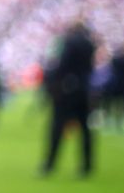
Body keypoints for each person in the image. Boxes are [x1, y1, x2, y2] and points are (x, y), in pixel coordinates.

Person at [41, 21, 96, 177]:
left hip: (66, 90)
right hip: (83, 90)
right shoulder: (89, 44)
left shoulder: (67, 42)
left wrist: (52, 82)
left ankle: (50, 164)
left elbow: (60, 66)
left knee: (57, 127)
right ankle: (86, 166)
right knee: (85, 128)